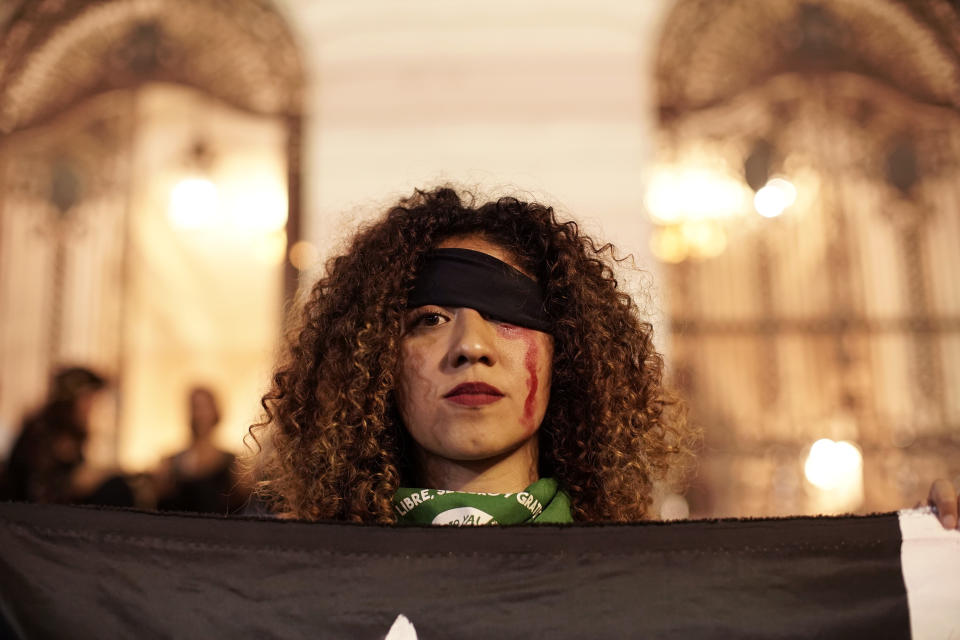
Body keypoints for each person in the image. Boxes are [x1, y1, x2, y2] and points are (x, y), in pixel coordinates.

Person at [249, 186, 959, 527]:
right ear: (373, 363)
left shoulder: (654, 579)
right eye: (428, 320)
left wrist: (932, 563)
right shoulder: (290, 583)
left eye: (510, 317)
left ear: (573, 360)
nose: (471, 348)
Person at [1, 366, 134, 506]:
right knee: (116, 489)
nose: (92, 408)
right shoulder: (45, 431)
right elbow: (40, 491)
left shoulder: (69, 432)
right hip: (35, 515)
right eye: (89, 400)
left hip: (56, 512)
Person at [155, 386, 246, 514]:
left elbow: (240, 505)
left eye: (204, 408)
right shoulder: (171, 462)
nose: (199, 415)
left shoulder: (233, 463)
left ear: (215, 411)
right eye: (195, 407)